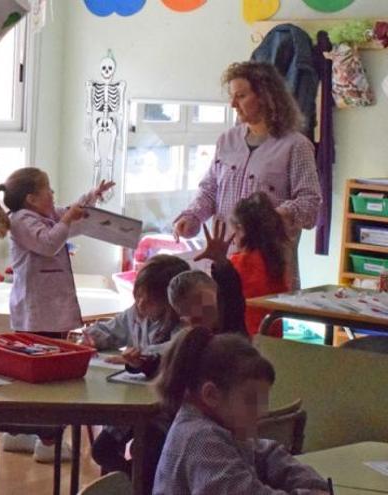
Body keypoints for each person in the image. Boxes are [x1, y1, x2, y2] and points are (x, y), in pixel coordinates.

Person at [0, 167, 113, 460]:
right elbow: (49, 242)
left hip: (48, 311)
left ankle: (22, 435)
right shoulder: (22, 221)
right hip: (39, 313)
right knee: (47, 378)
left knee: (40, 376)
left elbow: (69, 218)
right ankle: (47, 440)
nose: (54, 195)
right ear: (31, 198)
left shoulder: (41, 217)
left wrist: (91, 198)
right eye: (49, 190)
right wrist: (67, 218)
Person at [173, 61, 321, 289]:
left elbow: (310, 206)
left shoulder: (296, 146)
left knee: (258, 323)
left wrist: (273, 217)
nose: (233, 104)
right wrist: (192, 217)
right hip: (223, 262)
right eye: (232, 96)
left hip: (268, 266)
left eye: (241, 96)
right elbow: (210, 190)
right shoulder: (227, 140)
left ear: (265, 97)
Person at [152, 327, 330, 494]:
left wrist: (311, 485)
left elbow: (265, 453)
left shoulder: (221, 426)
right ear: (211, 395)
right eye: (252, 400)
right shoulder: (200, 439)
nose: (262, 411)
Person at [84, 254, 189, 476]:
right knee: (102, 450)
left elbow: (175, 348)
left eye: (150, 300)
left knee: (148, 456)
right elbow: (112, 330)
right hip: (133, 406)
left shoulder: (182, 324)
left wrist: (142, 356)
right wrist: (91, 337)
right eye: (138, 295)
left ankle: (139, 484)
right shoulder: (135, 314)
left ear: (171, 302)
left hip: (166, 414)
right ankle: (129, 483)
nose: (141, 303)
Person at [230, 192, 291, 336]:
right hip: (273, 336)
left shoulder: (239, 262)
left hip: (246, 337)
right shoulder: (275, 259)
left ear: (241, 230)